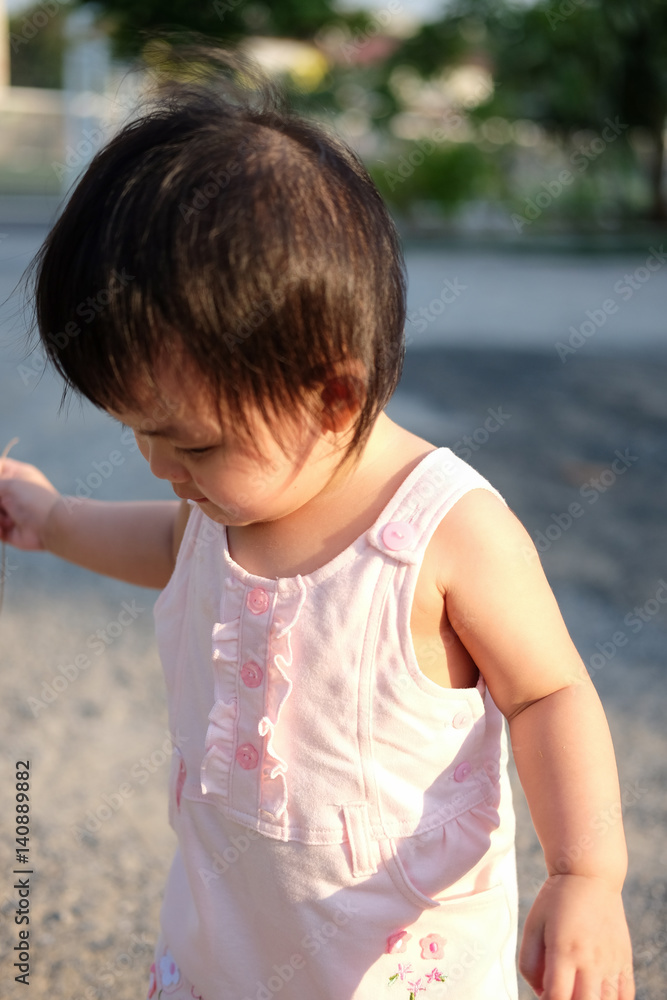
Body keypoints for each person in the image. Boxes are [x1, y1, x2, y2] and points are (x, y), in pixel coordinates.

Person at [0, 40, 633, 1000]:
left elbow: (548, 695)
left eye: (190, 443)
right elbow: (169, 548)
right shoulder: (217, 504)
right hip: (224, 947)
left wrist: (585, 873)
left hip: (395, 970)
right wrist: (52, 518)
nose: (162, 468)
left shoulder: (444, 531)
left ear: (332, 397)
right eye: (138, 432)